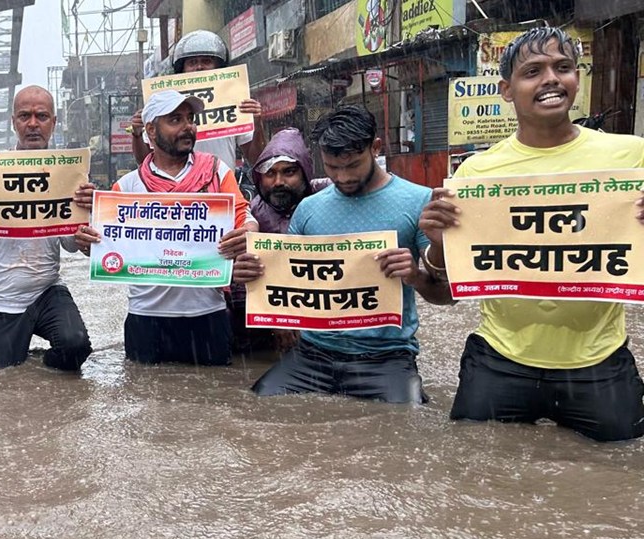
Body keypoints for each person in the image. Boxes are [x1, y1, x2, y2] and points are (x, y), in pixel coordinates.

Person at [420, 27, 644, 441]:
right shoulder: (476, 173)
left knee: (623, 461)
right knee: (470, 457)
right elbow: (449, 284)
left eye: (563, 67)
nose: (551, 79)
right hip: (499, 359)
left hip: (598, 361)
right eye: (533, 71)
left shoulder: (631, 157)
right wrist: (438, 244)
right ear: (506, 90)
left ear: (577, 77)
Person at [238, 105, 452, 403]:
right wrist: (251, 276)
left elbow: (447, 296)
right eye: (332, 167)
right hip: (312, 356)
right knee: (254, 404)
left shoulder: (419, 202)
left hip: (386, 357)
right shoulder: (309, 209)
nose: (343, 176)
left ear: (375, 148)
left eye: (352, 165)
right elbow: (286, 286)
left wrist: (416, 275)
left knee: (409, 415)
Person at [75, 90, 257, 366]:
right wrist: (87, 243)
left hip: (208, 313)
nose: (188, 127)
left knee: (216, 390)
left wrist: (248, 234)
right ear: (151, 130)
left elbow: (245, 218)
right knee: (144, 392)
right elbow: (104, 245)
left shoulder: (216, 172)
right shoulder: (128, 187)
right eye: (175, 120)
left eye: (190, 119)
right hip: (146, 318)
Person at [0, 85, 94, 372]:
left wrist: (87, 215)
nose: (33, 124)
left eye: (42, 116)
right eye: (25, 116)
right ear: (14, 122)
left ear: (53, 123)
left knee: (75, 348)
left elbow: (71, 245)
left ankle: (39, 358)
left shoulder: (67, 174)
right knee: (3, 372)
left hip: (47, 290)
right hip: (0, 298)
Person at [230, 127, 334, 353]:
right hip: (262, 331)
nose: (278, 182)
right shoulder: (249, 216)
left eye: (289, 172)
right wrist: (276, 319)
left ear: (305, 172)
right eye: (270, 174)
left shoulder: (329, 196)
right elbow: (236, 286)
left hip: (327, 321)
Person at [130, 30, 264, 169]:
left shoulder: (234, 102)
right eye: (192, 62)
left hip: (221, 182)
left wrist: (257, 124)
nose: (199, 67)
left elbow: (256, 158)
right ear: (182, 69)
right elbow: (144, 161)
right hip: (175, 182)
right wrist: (137, 133)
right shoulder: (166, 105)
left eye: (206, 61)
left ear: (218, 67)